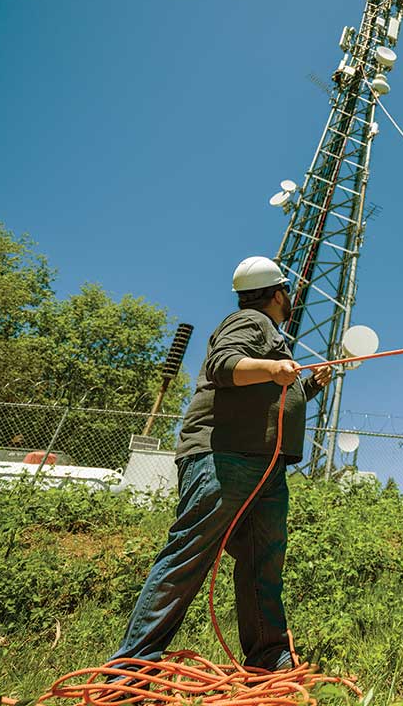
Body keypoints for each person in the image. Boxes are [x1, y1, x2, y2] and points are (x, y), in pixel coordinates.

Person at [107, 256, 331, 674]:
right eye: (288, 293)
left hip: (262, 464)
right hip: (223, 457)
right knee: (190, 555)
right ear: (278, 294)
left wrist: (309, 384)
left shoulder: (267, 333)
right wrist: (271, 365)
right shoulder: (250, 321)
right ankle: (130, 670)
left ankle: (268, 658)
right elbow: (223, 365)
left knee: (262, 562)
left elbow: (274, 395)